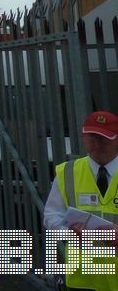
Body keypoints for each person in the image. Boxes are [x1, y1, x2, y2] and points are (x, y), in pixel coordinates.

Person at [44, 110, 118, 291]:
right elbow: (51, 216)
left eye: (104, 139)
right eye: (92, 138)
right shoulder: (67, 172)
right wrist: (68, 233)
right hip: (83, 280)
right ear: (83, 137)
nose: (97, 145)